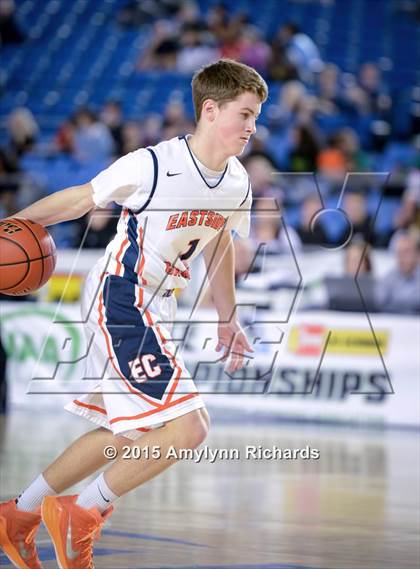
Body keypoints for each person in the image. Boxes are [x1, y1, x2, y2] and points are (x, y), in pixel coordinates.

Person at [0, 58, 267, 568]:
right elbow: (81, 200)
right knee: (190, 429)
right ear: (210, 110)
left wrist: (227, 316)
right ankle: (83, 511)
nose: (252, 127)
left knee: (128, 433)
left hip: (155, 305)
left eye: (256, 116)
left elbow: (219, 247)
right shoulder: (152, 163)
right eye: (245, 114)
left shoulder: (235, 182)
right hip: (121, 295)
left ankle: (20, 512)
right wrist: (13, 223)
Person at [377, 231, 420, 314]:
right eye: (399, 253)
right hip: (393, 322)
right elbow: (379, 302)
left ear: (417, 254)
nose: (402, 257)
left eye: (406, 252)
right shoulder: (389, 277)